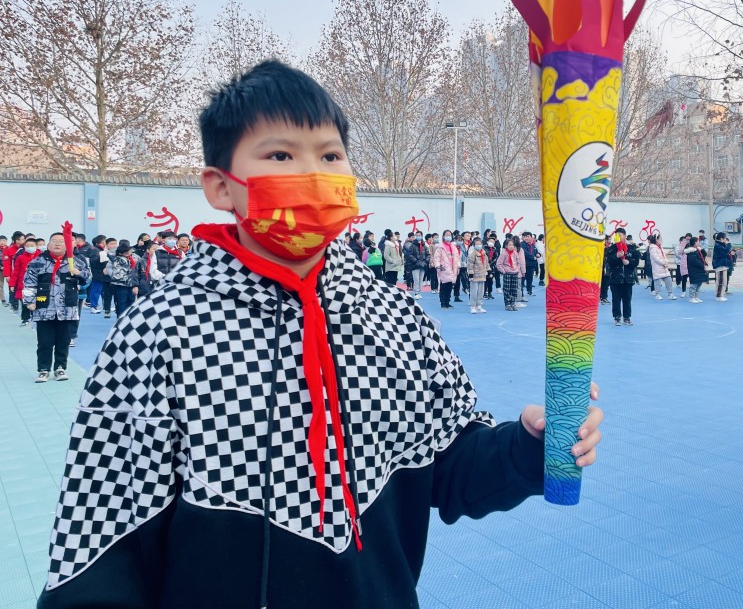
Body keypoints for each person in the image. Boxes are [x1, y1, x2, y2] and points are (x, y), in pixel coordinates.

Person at [37, 59, 604, 609]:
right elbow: (100, 546)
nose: (312, 176)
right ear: (219, 186)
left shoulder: (394, 317)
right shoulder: (159, 334)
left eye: (330, 155)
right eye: (280, 155)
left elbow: (453, 462)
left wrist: (531, 447)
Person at [23, 232, 90, 383]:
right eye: (54, 241)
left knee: (63, 341)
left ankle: (60, 368)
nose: (57, 244)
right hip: (43, 308)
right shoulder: (37, 262)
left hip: (67, 308)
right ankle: (43, 369)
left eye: (61, 241)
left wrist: (79, 273)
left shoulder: (76, 262)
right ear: (48, 244)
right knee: (45, 342)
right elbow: (29, 283)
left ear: (68, 245)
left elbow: (87, 280)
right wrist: (30, 301)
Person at [605, 228, 638, 326]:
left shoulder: (631, 248)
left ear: (624, 236)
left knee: (627, 299)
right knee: (616, 299)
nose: (618, 237)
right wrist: (617, 256)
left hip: (628, 279)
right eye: (616, 235)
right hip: (615, 278)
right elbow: (609, 262)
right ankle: (617, 317)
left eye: (620, 235)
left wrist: (629, 262)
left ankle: (627, 318)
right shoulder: (612, 248)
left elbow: (635, 261)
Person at [106, 241, 139, 318]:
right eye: (125, 252)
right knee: (121, 303)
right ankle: (120, 318)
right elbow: (109, 253)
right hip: (120, 284)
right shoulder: (116, 258)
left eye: (129, 251)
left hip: (132, 283)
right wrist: (120, 249)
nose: (128, 253)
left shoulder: (135, 257)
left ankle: (129, 319)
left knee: (131, 302)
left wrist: (130, 250)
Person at [433, 230, 461, 308]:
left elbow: (457, 258)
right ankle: (443, 302)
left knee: (449, 286)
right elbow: (436, 258)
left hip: (452, 269)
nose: (448, 236)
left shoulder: (453, 246)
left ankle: (448, 301)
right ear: (443, 236)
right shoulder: (440, 247)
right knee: (444, 286)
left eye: (450, 235)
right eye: (447, 235)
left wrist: (458, 266)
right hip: (444, 268)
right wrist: (438, 266)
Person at [496, 237, 525, 311]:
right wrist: (503, 271)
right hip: (507, 273)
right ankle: (507, 303)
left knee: (514, 289)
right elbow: (498, 264)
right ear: (506, 246)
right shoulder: (504, 253)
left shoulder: (515, 253)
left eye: (512, 245)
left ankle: (513, 303)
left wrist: (518, 269)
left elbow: (518, 262)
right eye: (509, 245)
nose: (511, 246)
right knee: (507, 289)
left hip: (515, 272)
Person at [647, 234, 676, 300]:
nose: (661, 240)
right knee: (657, 282)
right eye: (660, 239)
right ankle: (658, 294)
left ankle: (670, 294)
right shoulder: (653, 248)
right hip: (657, 267)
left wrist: (666, 262)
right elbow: (656, 258)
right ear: (656, 240)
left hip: (664, 267)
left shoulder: (660, 247)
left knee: (669, 280)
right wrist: (663, 263)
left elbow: (664, 256)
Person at [467, 237, 489, 314]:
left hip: (482, 275)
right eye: (477, 244)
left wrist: (488, 271)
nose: (479, 245)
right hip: (475, 276)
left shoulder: (484, 253)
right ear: (474, 245)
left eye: (480, 244)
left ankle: (479, 305)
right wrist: (470, 274)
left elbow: (486, 263)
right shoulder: (472, 254)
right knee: (474, 292)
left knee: (481, 292)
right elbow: (470, 265)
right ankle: (473, 306)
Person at [405, 231, 429, 299]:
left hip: (423, 265)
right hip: (415, 265)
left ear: (421, 236)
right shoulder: (412, 245)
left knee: (421, 279)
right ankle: (415, 293)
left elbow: (428, 254)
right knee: (416, 279)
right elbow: (410, 254)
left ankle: (419, 292)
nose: (418, 236)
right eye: (417, 235)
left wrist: (426, 261)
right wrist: (415, 261)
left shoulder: (424, 245)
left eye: (419, 235)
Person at [685, 236, 708, 303]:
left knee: (698, 284)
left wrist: (701, 248)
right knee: (694, 285)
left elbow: (705, 254)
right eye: (698, 241)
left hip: (699, 270)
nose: (699, 242)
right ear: (695, 243)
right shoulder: (691, 251)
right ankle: (691, 298)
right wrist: (702, 265)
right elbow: (694, 261)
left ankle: (696, 297)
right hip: (694, 270)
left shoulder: (698, 250)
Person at [712, 232, 732, 302]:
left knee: (723, 281)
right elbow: (725, 250)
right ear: (721, 238)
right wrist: (729, 244)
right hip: (720, 265)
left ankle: (720, 294)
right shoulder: (718, 245)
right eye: (724, 238)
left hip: (722, 264)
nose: (725, 239)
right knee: (721, 281)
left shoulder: (720, 245)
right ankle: (719, 295)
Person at [520, 232, 539, 298]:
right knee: (522, 279)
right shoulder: (522, 244)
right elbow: (525, 253)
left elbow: (536, 252)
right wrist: (533, 257)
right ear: (522, 238)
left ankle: (529, 290)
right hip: (524, 264)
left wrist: (538, 254)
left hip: (532, 264)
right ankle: (520, 293)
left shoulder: (532, 245)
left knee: (530, 278)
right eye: (525, 237)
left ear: (531, 237)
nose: (526, 238)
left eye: (528, 236)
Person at [484, 235, 500, 300]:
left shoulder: (494, 249)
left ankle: (490, 293)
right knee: (485, 280)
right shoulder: (484, 248)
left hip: (492, 267)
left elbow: (496, 257)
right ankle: (484, 293)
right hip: (485, 267)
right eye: (490, 241)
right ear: (488, 241)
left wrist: (492, 263)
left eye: (493, 242)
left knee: (490, 281)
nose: (492, 242)